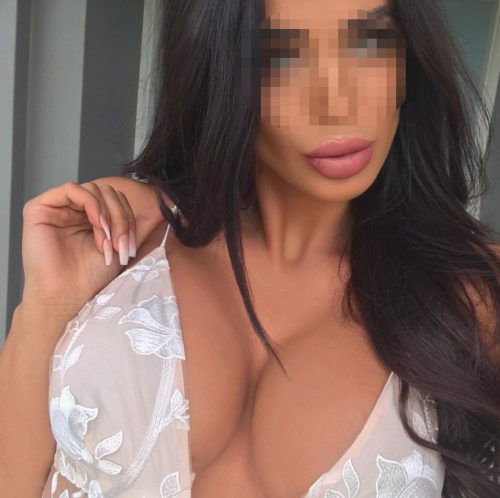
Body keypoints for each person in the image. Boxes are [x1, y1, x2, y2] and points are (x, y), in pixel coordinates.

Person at [1, 0, 499, 496]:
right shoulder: (128, 238)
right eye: (281, 57)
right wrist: (47, 305)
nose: (339, 103)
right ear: (215, 70)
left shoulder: (475, 299)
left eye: (369, 41)